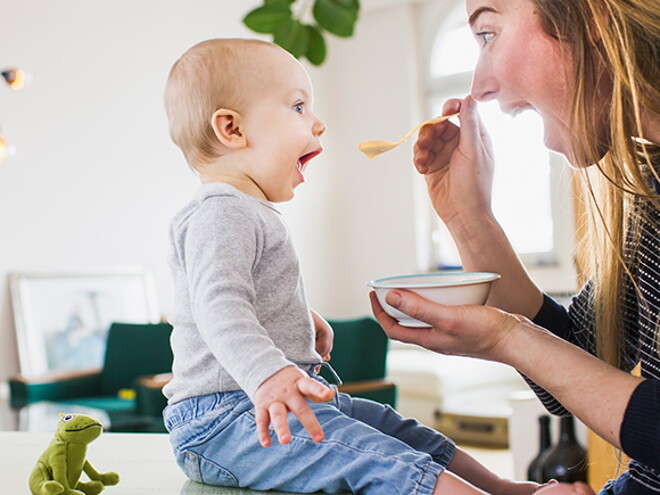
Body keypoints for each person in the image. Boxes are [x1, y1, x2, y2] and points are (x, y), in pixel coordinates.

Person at [160, 37, 581, 495]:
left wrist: (294, 321)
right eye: (298, 107)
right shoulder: (220, 211)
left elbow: (241, 296)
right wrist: (270, 373)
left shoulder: (245, 209)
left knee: (392, 428)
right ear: (231, 129)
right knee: (370, 456)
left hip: (259, 403)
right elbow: (217, 307)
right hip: (225, 421)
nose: (318, 124)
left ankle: (501, 487)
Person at [370, 0, 659, 494]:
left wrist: (507, 338)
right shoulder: (651, 199)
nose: (479, 83)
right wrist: (469, 218)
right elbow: (584, 362)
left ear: (592, 21)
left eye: (487, 34)